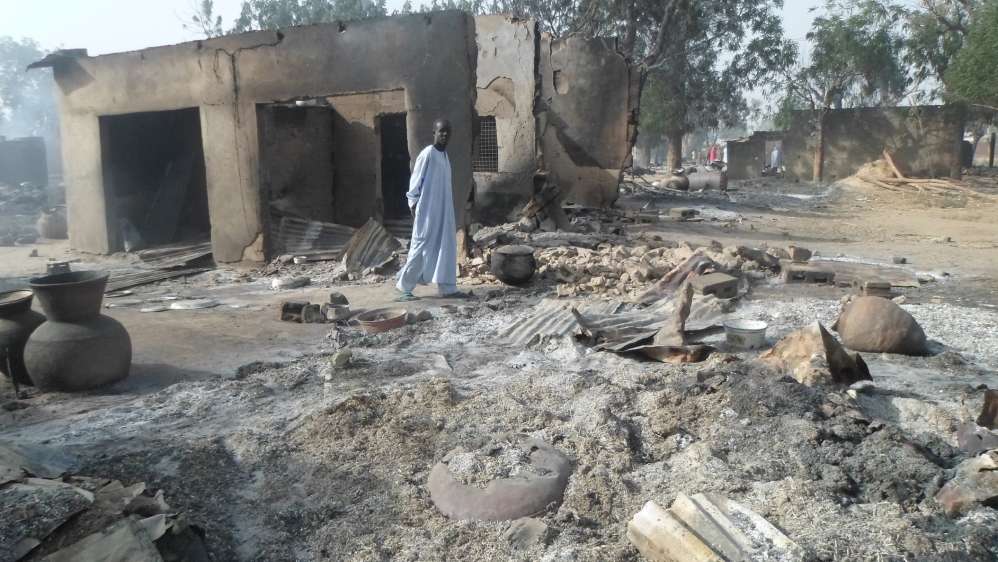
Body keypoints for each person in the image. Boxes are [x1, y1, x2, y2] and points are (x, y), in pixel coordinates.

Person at [395, 118, 470, 302]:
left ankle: (448, 288)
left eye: (448, 131)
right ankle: (404, 287)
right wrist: (412, 203)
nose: (445, 134)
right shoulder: (427, 153)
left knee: (446, 246)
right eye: (441, 131)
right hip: (427, 211)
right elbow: (416, 179)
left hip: (443, 212)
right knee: (420, 248)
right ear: (434, 133)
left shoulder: (444, 156)